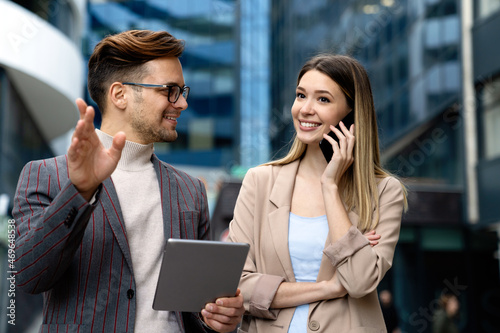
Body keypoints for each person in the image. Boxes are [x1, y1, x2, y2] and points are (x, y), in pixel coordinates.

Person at [12, 30, 244, 333]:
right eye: (169, 90)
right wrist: (80, 191)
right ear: (119, 94)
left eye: (182, 91)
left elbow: (194, 308)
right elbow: (28, 276)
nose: (182, 104)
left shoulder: (191, 190)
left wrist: (220, 320)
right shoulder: (45, 175)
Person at [227, 54, 407, 332]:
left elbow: (359, 283)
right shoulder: (259, 181)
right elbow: (238, 285)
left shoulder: (384, 192)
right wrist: (330, 287)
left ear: (351, 112)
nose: (305, 109)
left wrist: (330, 186)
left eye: (323, 99)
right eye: (301, 96)